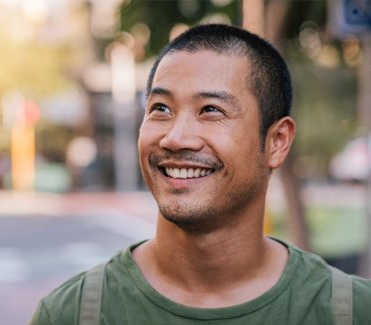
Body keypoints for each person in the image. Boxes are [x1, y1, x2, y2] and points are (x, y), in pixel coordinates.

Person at [30, 24, 371, 324]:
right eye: (160, 109)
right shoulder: (74, 314)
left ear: (277, 142)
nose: (175, 137)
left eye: (211, 110)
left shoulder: (350, 312)